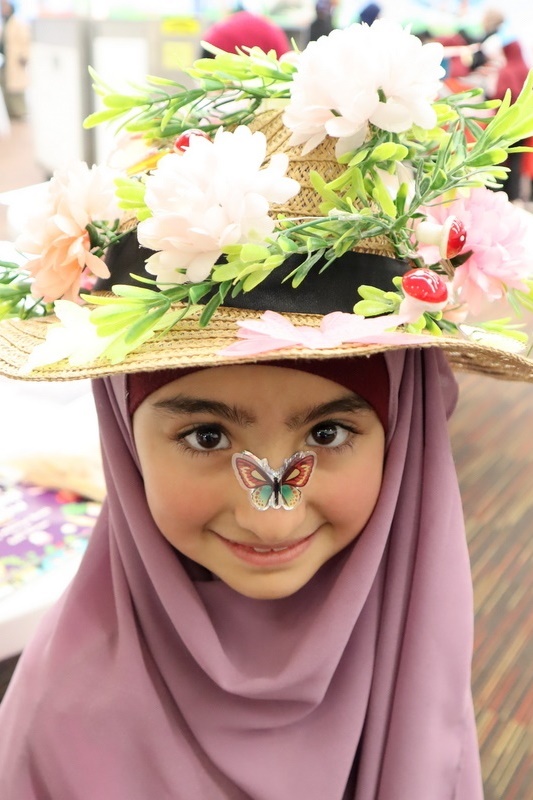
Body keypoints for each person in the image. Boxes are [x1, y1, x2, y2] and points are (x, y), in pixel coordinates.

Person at [1, 19, 533, 799]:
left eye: (328, 430)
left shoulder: (415, 632)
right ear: (122, 434)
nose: (272, 515)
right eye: (205, 433)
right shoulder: (55, 723)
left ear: (406, 436)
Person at [200, 6, 291, 59]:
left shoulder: (222, 28)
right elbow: (283, 61)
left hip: (217, 52)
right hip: (260, 72)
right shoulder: (271, 28)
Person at [0, 0, 30, 120]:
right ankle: (12, 113)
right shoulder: (4, 23)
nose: (2, 9)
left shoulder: (18, 23)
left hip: (16, 60)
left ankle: (20, 114)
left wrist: (24, 55)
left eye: (4, 7)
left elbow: (25, 42)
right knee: (8, 88)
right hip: (6, 61)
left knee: (17, 89)